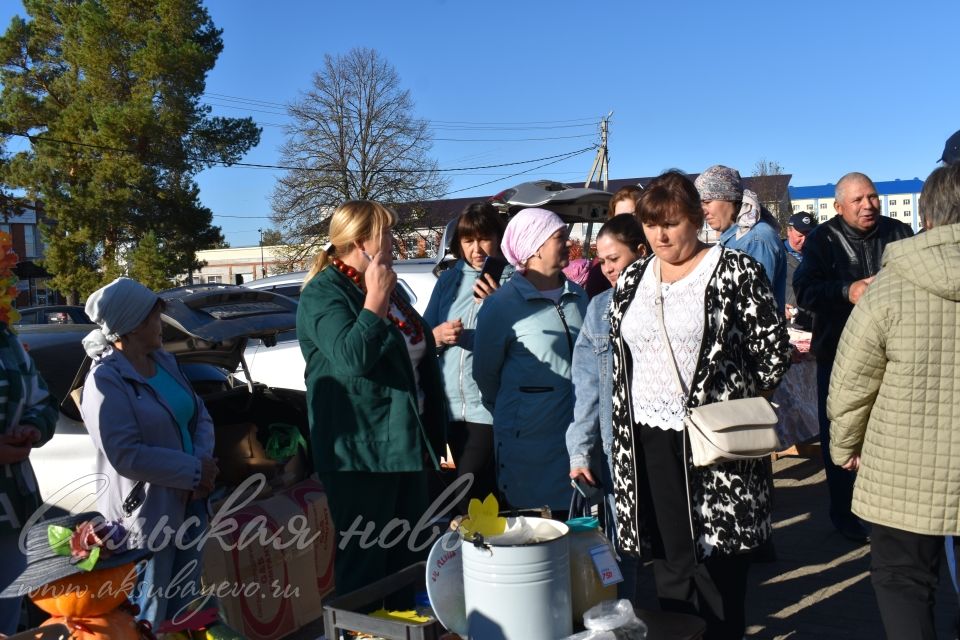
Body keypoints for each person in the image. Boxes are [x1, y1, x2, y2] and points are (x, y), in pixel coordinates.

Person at [609, 171, 791, 638]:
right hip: (647, 438)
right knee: (669, 563)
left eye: (671, 223)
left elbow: (773, 352)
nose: (661, 235)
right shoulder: (631, 277)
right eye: (651, 225)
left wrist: (736, 405)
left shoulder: (733, 270)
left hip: (713, 442)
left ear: (696, 218)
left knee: (718, 565)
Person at [828, 163, 960, 639]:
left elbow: (851, 383)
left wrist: (843, 447)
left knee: (903, 581)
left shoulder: (889, 288)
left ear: (926, 214)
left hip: (906, 469)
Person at [297, 200, 446, 595]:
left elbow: (415, 355)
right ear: (363, 242)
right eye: (388, 234)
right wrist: (375, 302)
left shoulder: (384, 288)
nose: (395, 242)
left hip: (403, 445)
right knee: (366, 565)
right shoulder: (324, 293)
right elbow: (352, 358)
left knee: (409, 560)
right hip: (360, 454)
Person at [80, 277, 217, 628]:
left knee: (183, 613)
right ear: (134, 323)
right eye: (155, 316)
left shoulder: (165, 362)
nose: (162, 324)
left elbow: (198, 414)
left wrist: (201, 466)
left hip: (191, 504)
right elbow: (125, 454)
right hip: (145, 518)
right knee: (148, 615)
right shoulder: (105, 380)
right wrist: (194, 471)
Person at [793, 172, 913, 542]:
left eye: (873, 197)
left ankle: (891, 510)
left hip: (894, 353)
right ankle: (845, 514)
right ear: (839, 206)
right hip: (838, 352)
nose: (868, 205)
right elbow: (805, 291)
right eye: (858, 200)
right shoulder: (824, 240)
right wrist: (848, 290)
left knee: (894, 432)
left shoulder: (899, 233)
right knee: (841, 435)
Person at [473, 208, 587, 514]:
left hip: (576, 436)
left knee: (575, 530)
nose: (568, 243)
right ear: (534, 247)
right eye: (560, 237)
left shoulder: (578, 296)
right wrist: (521, 408)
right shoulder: (501, 306)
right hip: (527, 440)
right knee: (535, 528)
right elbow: (486, 374)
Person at [566, 214, 649, 603]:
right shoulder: (598, 308)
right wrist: (580, 452)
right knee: (625, 545)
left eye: (615, 258)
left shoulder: (667, 300)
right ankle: (628, 622)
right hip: (619, 450)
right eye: (601, 261)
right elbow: (586, 388)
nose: (608, 269)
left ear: (642, 252)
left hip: (669, 446)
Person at [423, 201, 511, 514]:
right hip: (448, 409)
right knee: (468, 497)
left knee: (469, 491)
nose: (476, 249)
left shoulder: (511, 281)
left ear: (498, 238)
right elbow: (423, 334)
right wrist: (437, 336)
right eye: (467, 240)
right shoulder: (448, 280)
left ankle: (482, 553)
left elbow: (515, 341)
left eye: (484, 238)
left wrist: (495, 305)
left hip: (485, 408)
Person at [0, 315, 58, 634]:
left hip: (13, 507)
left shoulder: (5, 339)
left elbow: (43, 401)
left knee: (7, 620)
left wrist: (33, 427)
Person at [695, 165, 787, 311]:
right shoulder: (736, 237)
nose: (703, 211)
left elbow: (755, 307)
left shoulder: (755, 240)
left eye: (707, 202)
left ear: (730, 198)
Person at [584, 185, 644, 298]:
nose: (625, 223)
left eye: (632, 216)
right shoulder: (599, 272)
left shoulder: (664, 260)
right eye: (619, 218)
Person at [783, 212, 817, 331]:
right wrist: (777, 306)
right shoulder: (777, 254)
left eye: (809, 234)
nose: (805, 240)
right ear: (789, 231)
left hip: (816, 324)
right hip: (789, 326)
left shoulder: (821, 255)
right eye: (800, 235)